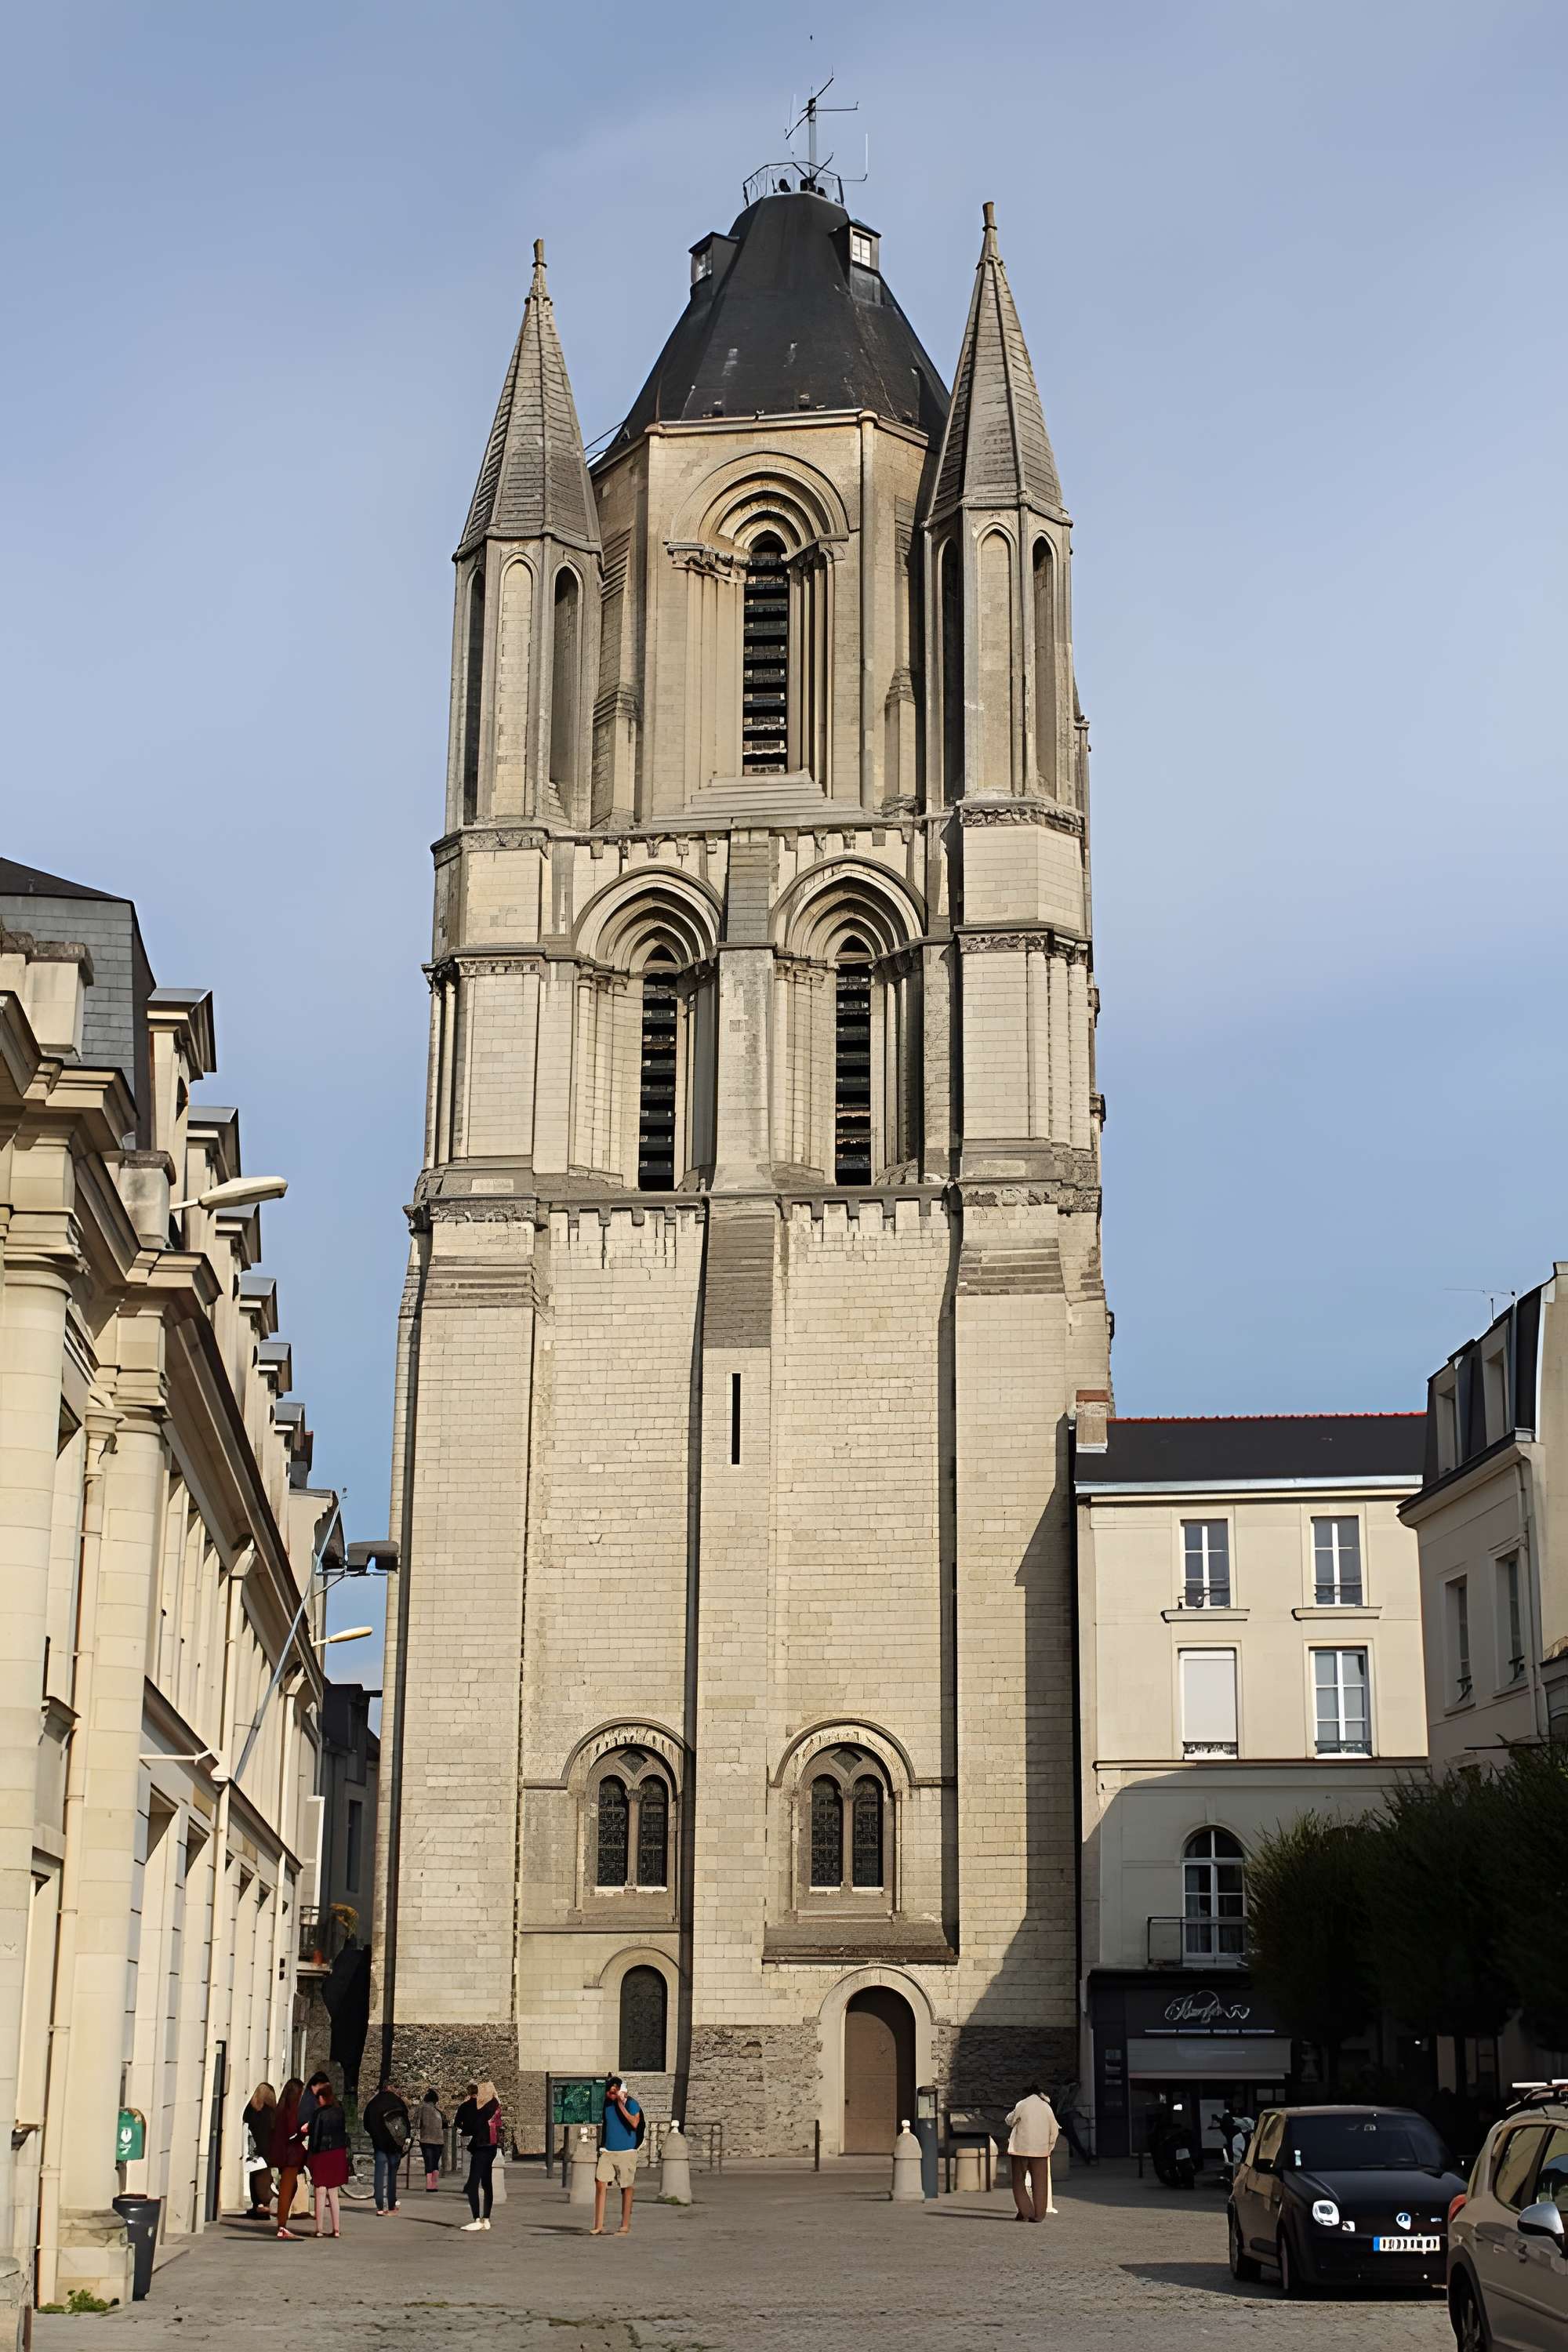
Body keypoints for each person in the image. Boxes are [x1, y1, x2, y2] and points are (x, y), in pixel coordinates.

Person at [591, 2074, 642, 2238]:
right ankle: (598, 2225)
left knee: (626, 2187)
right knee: (600, 2182)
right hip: (608, 2151)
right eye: (610, 2092)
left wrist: (621, 2104)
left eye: (615, 2092)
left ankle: (625, 2225)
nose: (611, 2094)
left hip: (626, 2151)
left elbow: (634, 2123)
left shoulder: (632, 2104)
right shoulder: (606, 2105)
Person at [1005, 2084, 1060, 2223]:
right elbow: (1054, 2128)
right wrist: (1050, 2147)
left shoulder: (1022, 2104)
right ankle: (1039, 2215)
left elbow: (1009, 2120)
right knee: (1040, 2183)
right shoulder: (1046, 2107)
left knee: (1019, 2181)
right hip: (1041, 2150)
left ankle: (1026, 2211)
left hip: (1021, 2148)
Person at [305, 2079, 350, 2238]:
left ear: (322, 2098)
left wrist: (310, 2155)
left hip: (322, 2153)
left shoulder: (319, 2113)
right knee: (333, 2191)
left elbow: (315, 2136)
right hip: (337, 2152)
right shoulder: (340, 2111)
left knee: (320, 2190)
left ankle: (319, 2228)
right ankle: (336, 2229)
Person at [363, 2078, 411, 2216]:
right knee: (392, 2175)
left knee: (379, 2174)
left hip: (379, 2144)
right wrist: (405, 2140)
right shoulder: (398, 2102)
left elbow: (366, 2124)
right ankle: (391, 2205)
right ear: (390, 2087)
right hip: (395, 2145)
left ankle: (379, 2206)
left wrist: (375, 2134)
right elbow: (406, 2123)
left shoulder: (373, 2104)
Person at [460, 2081, 503, 2232]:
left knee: (473, 2184)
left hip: (481, 2147)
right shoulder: (495, 2106)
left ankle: (477, 2219)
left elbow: (468, 2128)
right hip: (491, 2147)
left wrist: (468, 2106)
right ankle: (487, 2218)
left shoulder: (481, 2109)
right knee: (487, 2183)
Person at [271, 2078, 307, 2241]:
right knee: (287, 2188)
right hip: (290, 2154)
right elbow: (292, 2134)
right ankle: (282, 2226)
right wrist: (304, 2132)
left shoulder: (280, 2109)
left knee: (291, 2186)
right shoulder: (291, 2111)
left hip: (281, 2153)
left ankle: (282, 2222)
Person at [241, 2082, 276, 2220]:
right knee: (264, 2176)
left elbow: (246, 2121)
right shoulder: (271, 2112)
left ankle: (257, 2205)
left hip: (254, 2148)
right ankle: (263, 2205)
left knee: (254, 2175)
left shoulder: (251, 2110)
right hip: (267, 2149)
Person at [417, 2089, 447, 2191]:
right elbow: (445, 2125)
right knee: (435, 2163)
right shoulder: (439, 2112)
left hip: (426, 2140)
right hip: (439, 2141)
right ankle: (434, 2185)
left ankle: (429, 2186)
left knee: (428, 2163)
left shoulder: (421, 2109)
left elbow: (418, 2124)